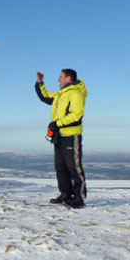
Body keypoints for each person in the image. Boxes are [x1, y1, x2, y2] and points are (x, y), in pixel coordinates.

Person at [35, 69, 88, 209]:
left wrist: (57, 123)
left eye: (61, 77)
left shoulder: (76, 93)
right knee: (60, 167)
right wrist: (40, 83)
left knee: (74, 168)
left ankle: (79, 198)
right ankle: (65, 193)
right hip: (60, 137)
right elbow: (46, 97)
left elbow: (77, 115)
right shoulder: (61, 94)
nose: (59, 79)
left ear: (69, 79)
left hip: (71, 136)